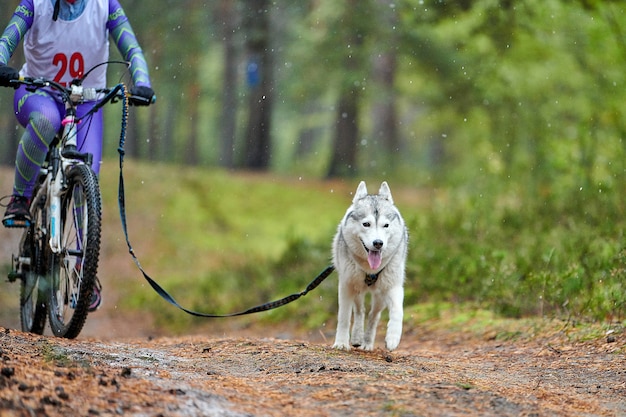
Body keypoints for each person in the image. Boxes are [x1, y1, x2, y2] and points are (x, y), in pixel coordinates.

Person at [0, 0, 156, 311]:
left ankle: (85, 271)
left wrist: (142, 82)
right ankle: (21, 197)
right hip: (37, 93)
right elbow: (7, 40)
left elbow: (132, 49)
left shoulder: (106, 6)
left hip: (86, 101)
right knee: (45, 122)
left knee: (88, 178)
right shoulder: (35, 4)